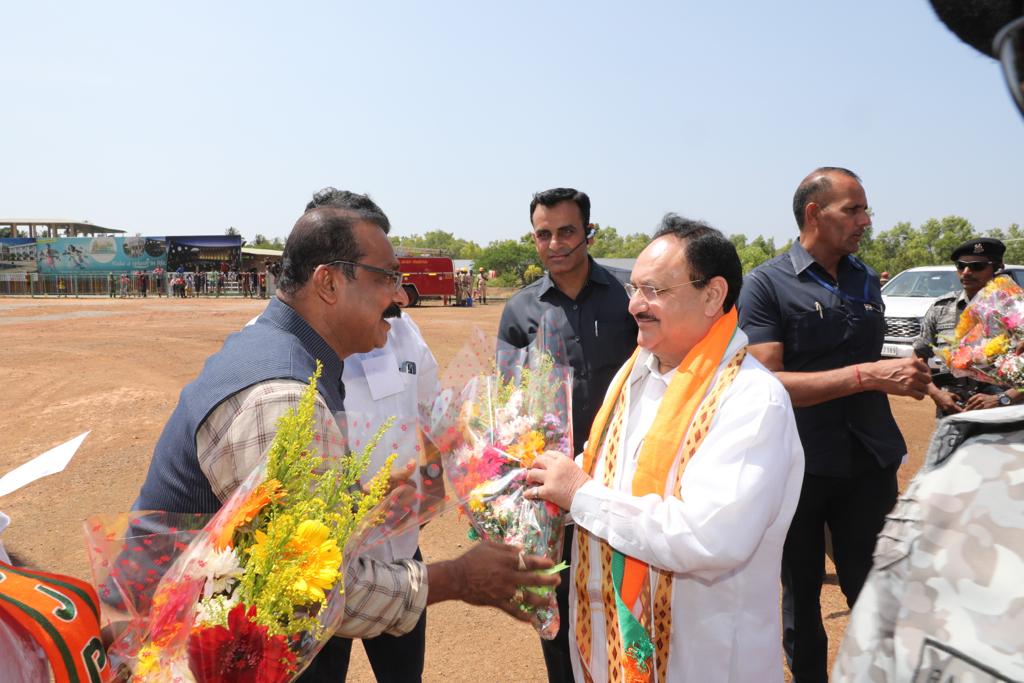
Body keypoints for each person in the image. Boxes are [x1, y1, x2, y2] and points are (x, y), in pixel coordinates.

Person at [131, 192, 559, 677]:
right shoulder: (284, 398)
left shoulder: (292, 354)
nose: (400, 296)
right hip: (181, 649)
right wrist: (459, 578)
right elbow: (316, 591)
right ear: (329, 283)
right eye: (388, 278)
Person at [525, 216, 804, 682]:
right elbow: (608, 468)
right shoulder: (637, 372)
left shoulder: (752, 401)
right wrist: (537, 484)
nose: (634, 305)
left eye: (653, 290)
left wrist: (580, 495)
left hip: (701, 659)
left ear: (713, 295)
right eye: (634, 289)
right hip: (612, 644)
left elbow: (709, 537)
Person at [834, 3, 1024, 679]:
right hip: (954, 429)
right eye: (964, 268)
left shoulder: (1011, 308)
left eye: (979, 268)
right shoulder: (944, 305)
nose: (970, 277)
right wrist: (946, 393)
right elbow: (924, 358)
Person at [737, 167, 931, 682]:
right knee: (800, 598)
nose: (865, 221)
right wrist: (867, 376)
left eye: (866, 210)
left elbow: (867, 355)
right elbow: (769, 383)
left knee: (875, 593)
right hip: (797, 463)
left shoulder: (866, 277)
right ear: (813, 214)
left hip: (868, 458)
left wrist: (925, 384)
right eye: (854, 210)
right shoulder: (765, 283)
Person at [499, 187, 638, 683]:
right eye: (543, 233)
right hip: (553, 492)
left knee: (627, 605)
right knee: (557, 614)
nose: (555, 243)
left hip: (626, 481)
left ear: (588, 233)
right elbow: (506, 405)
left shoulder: (630, 297)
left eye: (566, 231)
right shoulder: (519, 311)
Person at [916, 237, 1021, 416]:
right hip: (952, 408)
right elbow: (918, 358)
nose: (966, 272)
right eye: (960, 266)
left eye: (977, 267)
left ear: (995, 267)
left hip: (1004, 413)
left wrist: (1002, 399)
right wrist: (937, 394)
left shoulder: (1015, 309)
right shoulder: (941, 308)